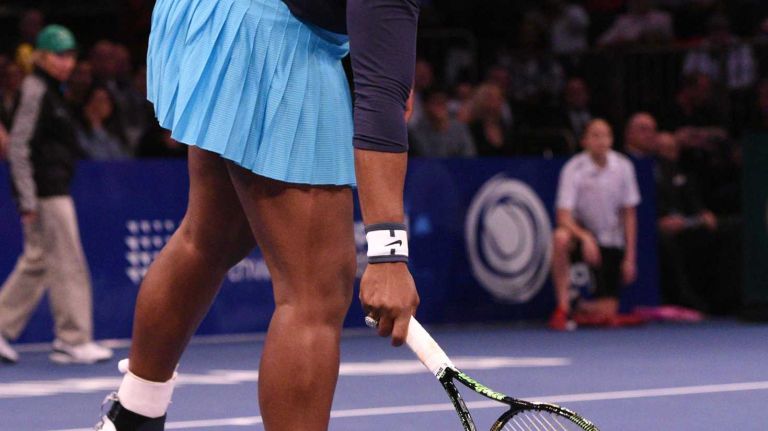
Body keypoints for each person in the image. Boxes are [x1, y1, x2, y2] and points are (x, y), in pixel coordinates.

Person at [95, 0, 421, 430]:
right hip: (264, 34)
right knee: (316, 292)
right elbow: (380, 99)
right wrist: (389, 255)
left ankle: (133, 416)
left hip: (208, 13)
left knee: (210, 237)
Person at [0, 25, 114, 364]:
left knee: (37, 262)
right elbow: (18, 146)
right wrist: (27, 198)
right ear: (41, 56)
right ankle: (73, 339)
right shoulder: (35, 89)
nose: (66, 63)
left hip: (51, 189)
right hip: (45, 193)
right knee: (67, 264)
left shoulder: (52, 90)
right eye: (58, 56)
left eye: (70, 56)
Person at [549, 119, 641, 331]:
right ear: (584, 141)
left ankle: (578, 304)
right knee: (560, 237)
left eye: (606, 135)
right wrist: (585, 237)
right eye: (595, 135)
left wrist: (630, 259)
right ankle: (563, 308)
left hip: (612, 243)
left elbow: (629, 215)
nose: (601, 140)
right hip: (582, 240)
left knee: (607, 311)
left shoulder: (624, 166)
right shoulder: (573, 168)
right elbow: (563, 216)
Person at [409, 87, 476, 157]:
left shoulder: (460, 128)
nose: (440, 106)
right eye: (436, 102)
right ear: (425, 106)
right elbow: (429, 156)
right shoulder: (416, 131)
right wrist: (440, 127)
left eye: (443, 102)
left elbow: (470, 156)